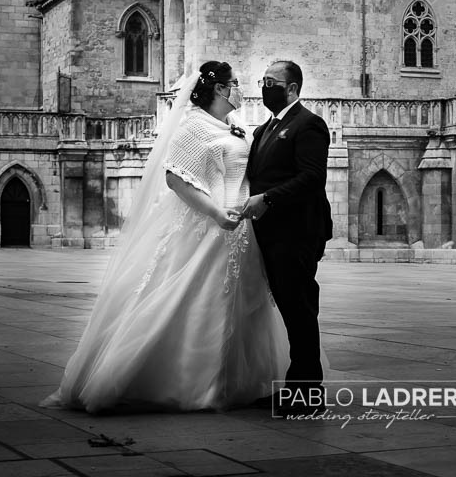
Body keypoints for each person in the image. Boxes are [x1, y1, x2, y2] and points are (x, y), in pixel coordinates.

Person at [41, 63, 286, 413]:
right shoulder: (193, 126)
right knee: (196, 298)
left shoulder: (234, 126)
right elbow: (176, 179)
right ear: (218, 90)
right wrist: (216, 213)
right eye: (234, 83)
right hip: (207, 225)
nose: (239, 89)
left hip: (241, 231)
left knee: (240, 302)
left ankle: (234, 381)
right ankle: (190, 382)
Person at [234, 60, 333, 416]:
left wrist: (270, 198)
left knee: (300, 309)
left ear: (291, 88)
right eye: (262, 81)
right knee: (289, 309)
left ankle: (307, 395)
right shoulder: (264, 130)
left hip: (297, 233)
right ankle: (295, 388)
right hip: (270, 234)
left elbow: (312, 178)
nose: (264, 87)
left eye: (271, 82)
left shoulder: (309, 125)